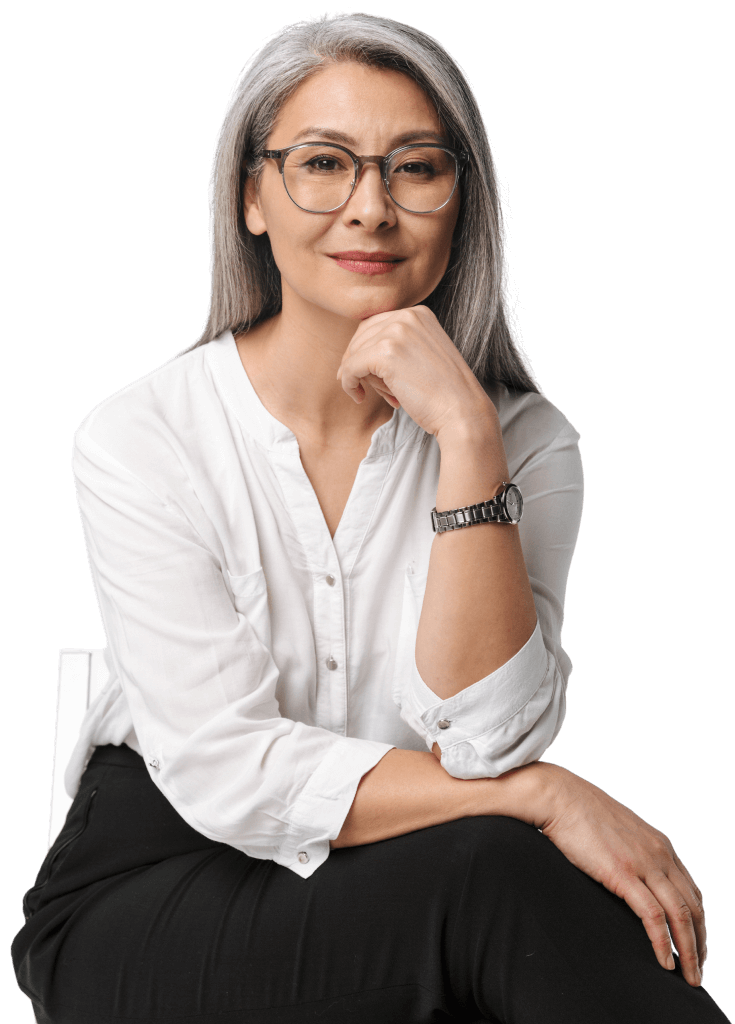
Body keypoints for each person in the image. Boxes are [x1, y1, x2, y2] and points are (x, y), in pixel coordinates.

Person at [11, 13, 728, 1024]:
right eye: (322, 164)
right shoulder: (140, 436)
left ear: (461, 202)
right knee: (498, 871)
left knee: (497, 882)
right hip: (153, 889)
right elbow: (227, 768)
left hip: (410, 873)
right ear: (251, 196)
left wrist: (466, 438)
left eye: (415, 168)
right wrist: (541, 795)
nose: (371, 209)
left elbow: (491, 740)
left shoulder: (526, 441)